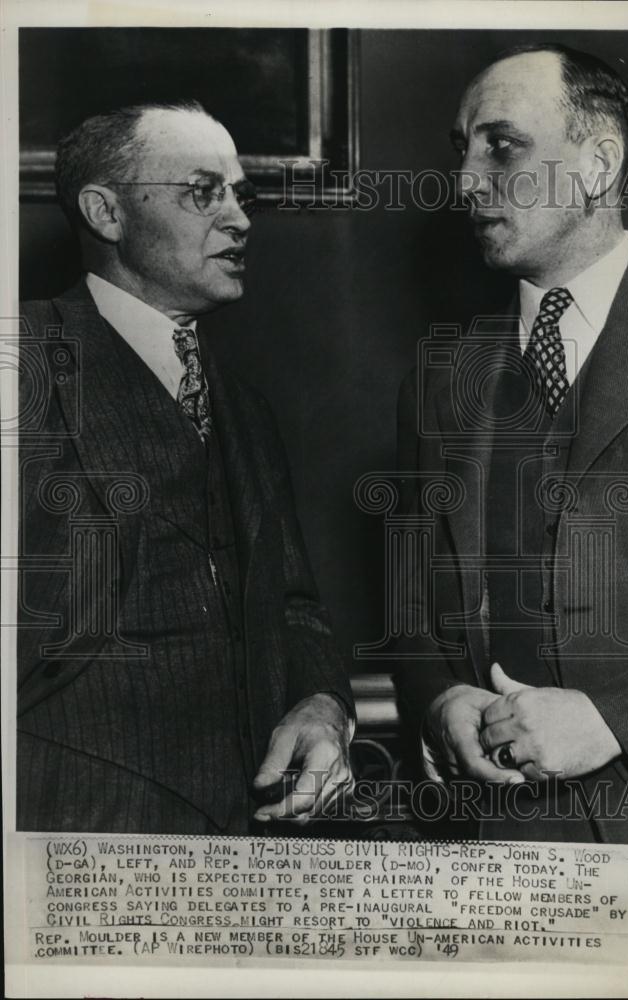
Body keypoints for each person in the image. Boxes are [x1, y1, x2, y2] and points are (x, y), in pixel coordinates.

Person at [17, 100, 354, 834]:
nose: (240, 219)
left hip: (258, 829)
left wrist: (323, 704)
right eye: (204, 192)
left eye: (241, 195)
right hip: (68, 830)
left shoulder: (246, 410)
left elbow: (295, 607)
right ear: (106, 212)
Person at [394, 44, 628, 845]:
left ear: (597, 164)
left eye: (502, 145)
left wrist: (618, 721)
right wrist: (439, 702)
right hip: (494, 844)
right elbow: (411, 611)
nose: (463, 182)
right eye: (463, 151)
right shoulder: (441, 374)